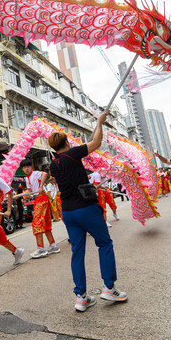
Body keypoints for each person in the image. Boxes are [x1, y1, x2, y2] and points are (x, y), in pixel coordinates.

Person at [48, 111, 128, 312]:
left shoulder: (53, 164)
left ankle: (81, 297)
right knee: (104, 244)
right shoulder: (72, 154)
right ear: (66, 142)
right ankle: (109, 287)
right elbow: (96, 143)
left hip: (68, 212)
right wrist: (99, 122)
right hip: (86, 208)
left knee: (77, 252)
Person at [17, 159, 59, 258]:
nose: (26, 169)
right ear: (22, 169)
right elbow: (29, 190)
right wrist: (20, 195)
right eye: (24, 167)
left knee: (37, 223)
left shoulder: (35, 173)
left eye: (28, 167)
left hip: (42, 198)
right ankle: (53, 245)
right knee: (45, 223)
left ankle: (41, 249)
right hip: (37, 199)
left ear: (30, 167)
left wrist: (40, 186)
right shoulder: (27, 178)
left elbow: (44, 174)